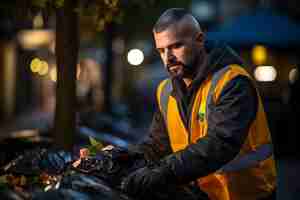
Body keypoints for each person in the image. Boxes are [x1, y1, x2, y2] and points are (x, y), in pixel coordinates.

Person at [83, 8, 277, 200]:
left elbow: (220, 144)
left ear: (200, 40)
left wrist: (161, 172)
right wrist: (121, 156)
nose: (168, 57)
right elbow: (157, 147)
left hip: (247, 195)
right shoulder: (166, 90)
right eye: (161, 50)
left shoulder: (233, 82)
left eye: (176, 46)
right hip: (203, 194)